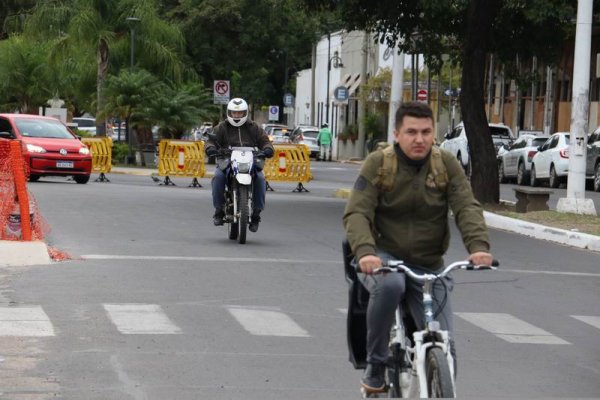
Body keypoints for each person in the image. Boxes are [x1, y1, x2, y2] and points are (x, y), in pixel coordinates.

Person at [343, 101, 493, 394]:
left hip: (429, 264)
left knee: (445, 345)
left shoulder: (445, 164)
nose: (419, 139)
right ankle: (375, 366)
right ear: (397, 133)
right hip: (383, 258)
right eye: (411, 131)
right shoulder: (379, 163)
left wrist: (479, 246)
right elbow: (357, 212)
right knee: (389, 287)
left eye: (426, 132)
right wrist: (366, 252)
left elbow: (466, 206)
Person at [205, 98, 274, 232]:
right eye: (234, 113)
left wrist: (268, 148)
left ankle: (256, 214)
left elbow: (265, 141)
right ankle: (219, 210)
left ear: (245, 113)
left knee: (260, 179)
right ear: (229, 113)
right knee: (218, 177)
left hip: (250, 160)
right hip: (226, 160)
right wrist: (210, 148)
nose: (237, 116)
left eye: (240, 113)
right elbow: (210, 140)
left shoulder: (254, 127)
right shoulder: (222, 127)